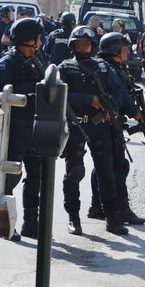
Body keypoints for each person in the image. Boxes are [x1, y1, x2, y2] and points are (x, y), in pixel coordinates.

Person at [58, 26, 132, 235]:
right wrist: (89, 99)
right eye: (80, 44)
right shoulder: (64, 67)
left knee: (106, 174)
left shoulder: (103, 68)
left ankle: (112, 219)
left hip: (101, 126)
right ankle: (73, 217)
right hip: (77, 124)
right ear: (73, 45)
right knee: (74, 173)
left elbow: (118, 92)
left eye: (88, 44)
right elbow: (60, 95)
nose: (84, 48)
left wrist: (112, 110)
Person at [0, 18, 45, 241]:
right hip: (15, 130)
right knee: (9, 179)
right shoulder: (8, 63)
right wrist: (29, 95)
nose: (40, 42)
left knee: (36, 177)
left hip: (33, 128)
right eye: (37, 38)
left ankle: (32, 223)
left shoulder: (35, 60)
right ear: (29, 40)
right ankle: (7, 224)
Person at [88, 32, 145, 225]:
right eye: (123, 49)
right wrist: (136, 113)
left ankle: (97, 207)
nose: (126, 52)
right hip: (108, 122)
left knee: (103, 167)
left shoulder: (110, 66)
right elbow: (122, 96)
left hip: (107, 121)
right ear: (114, 51)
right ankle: (121, 210)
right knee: (117, 167)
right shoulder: (110, 69)